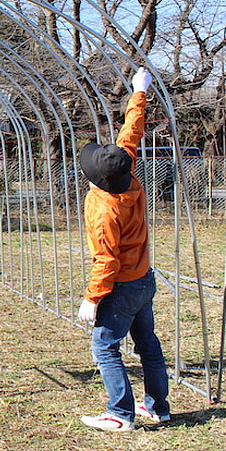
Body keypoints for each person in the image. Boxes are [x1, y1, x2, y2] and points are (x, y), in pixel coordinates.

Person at [76, 67, 171, 431]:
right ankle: (157, 407)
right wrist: (139, 92)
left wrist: (93, 298)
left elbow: (107, 260)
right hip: (143, 278)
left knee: (104, 347)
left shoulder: (103, 210)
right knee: (147, 343)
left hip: (122, 285)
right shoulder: (126, 173)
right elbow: (131, 133)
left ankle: (119, 414)